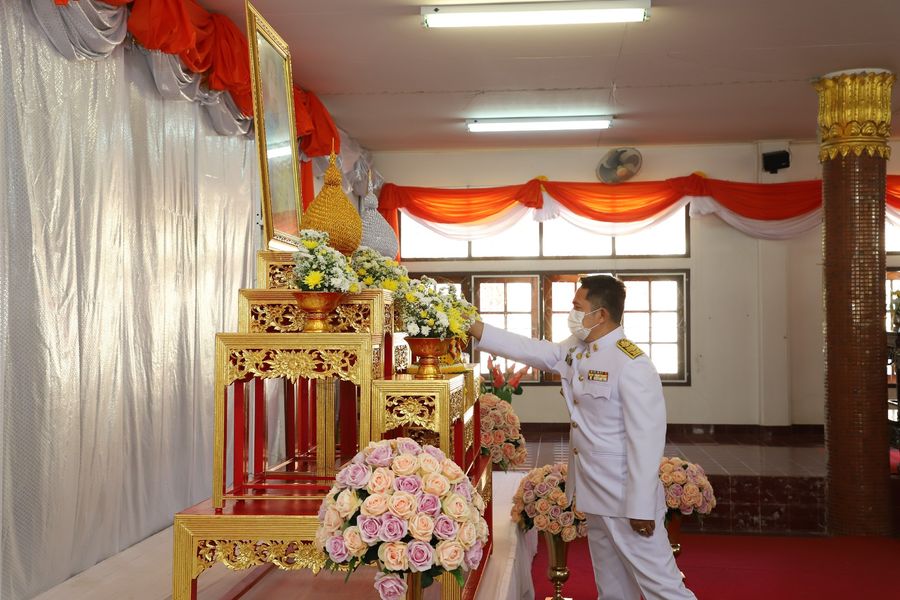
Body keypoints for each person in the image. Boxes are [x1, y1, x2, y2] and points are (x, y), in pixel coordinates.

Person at [469, 274, 696, 600]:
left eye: (578, 306)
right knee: (613, 587)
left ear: (601, 314)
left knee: (663, 588)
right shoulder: (578, 348)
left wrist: (642, 506)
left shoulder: (631, 363)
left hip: (625, 498)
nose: (572, 313)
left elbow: (645, 441)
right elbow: (534, 350)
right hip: (593, 491)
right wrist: (478, 328)